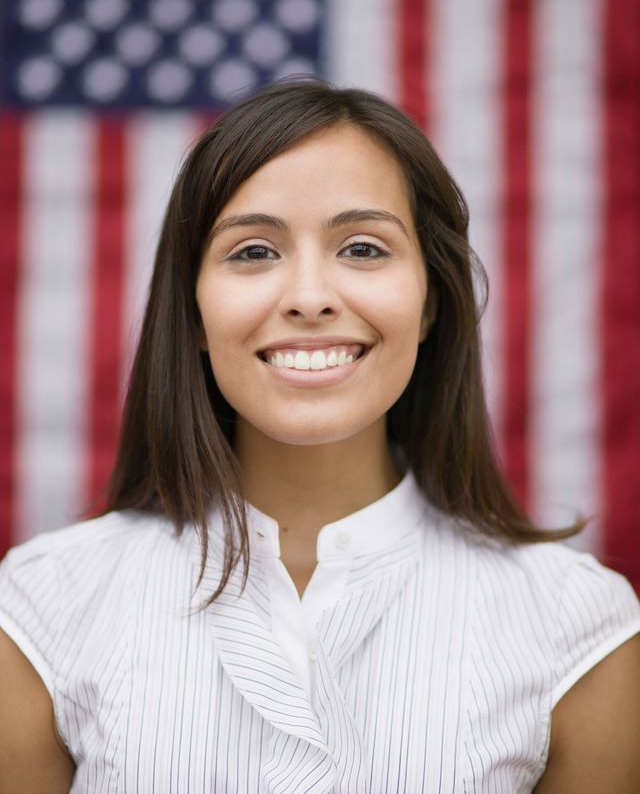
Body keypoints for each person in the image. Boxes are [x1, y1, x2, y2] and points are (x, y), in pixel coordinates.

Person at [1, 80, 639, 794]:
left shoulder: (580, 629)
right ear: (193, 311)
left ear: (431, 302)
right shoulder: (41, 609)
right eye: (252, 252)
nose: (309, 295)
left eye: (363, 248)